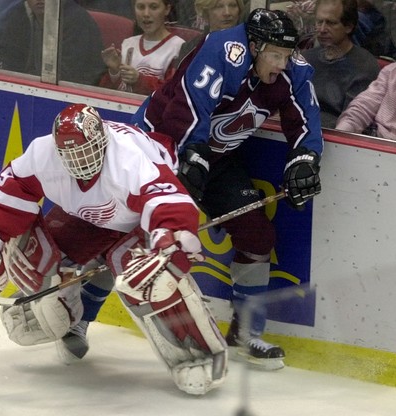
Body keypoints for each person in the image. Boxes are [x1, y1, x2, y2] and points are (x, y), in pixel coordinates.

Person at [0, 103, 228, 395]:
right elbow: (10, 192)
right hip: (91, 213)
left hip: (138, 214)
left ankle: (199, 354)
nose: (78, 161)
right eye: (69, 154)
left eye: (85, 151)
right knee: (33, 258)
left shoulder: (129, 162)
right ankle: (69, 313)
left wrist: (168, 239)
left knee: (148, 279)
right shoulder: (42, 154)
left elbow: (168, 203)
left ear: (103, 140)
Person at [131, 9, 323, 370]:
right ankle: (77, 314)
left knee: (256, 233)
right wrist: (192, 156)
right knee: (127, 229)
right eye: (275, 55)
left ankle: (245, 333)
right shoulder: (222, 50)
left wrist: (305, 159)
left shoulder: (291, 70)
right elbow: (191, 106)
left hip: (213, 160)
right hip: (159, 148)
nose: (282, 64)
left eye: (286, 55)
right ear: (254, 46)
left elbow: (305, 119)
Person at [302, 0, 380, 128]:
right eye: (319, 22)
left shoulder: (365, 66)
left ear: (348, 26)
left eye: (331, 23)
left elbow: (352, 121)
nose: (321, 30)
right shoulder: (305, 59)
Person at [0, 0, 106, 85]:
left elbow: (70, 74)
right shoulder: (19, 14)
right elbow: (9, 59)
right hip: (27, 86)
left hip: (76, 92)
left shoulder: (78, 21)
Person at [99, 0, 185, 95]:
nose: (146, 14)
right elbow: (106, 95)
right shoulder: (128, 43)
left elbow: (173, 92)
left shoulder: (179, 47)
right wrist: (114, 72)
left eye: (153, 7)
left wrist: (140, 80)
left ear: (167, 9)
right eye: (140, 7)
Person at [175, 0, 244, 64]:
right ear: (206, 12)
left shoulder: (249, 44)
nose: (227, 13)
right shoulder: (191, 48)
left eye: (233, 5)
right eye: (219, 7)